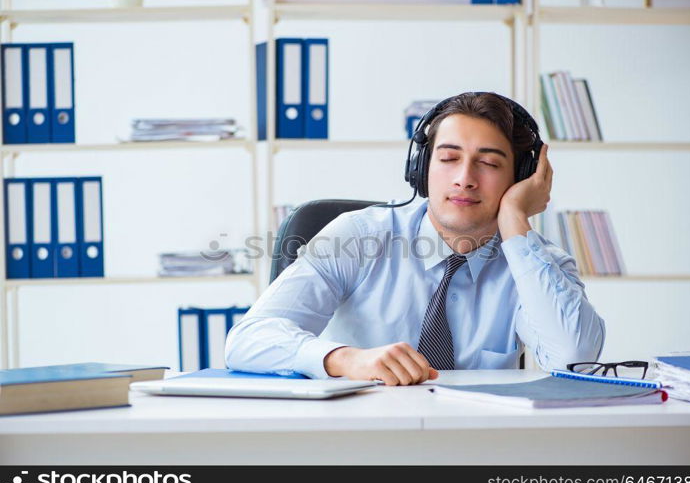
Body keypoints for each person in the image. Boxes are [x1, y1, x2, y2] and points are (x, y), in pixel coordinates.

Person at [225, 92, 605, 386]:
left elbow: (574, 359)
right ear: (421, 169)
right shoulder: (358, 236)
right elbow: (248, 340)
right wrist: (346, 359)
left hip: (475, 449)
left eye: (489, 163)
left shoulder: (535, 264)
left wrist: (514, 219)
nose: (465, 179)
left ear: (520, 178)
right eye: (448, 158)